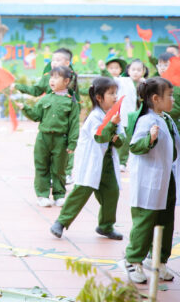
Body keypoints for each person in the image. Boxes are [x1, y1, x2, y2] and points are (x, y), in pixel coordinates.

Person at [50, 77, 124, 240]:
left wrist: (117, 137)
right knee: (81, 192)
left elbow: (121, 140)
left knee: (112, 193)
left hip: (108, 163)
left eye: (116, 93)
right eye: (111, 93)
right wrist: (112, 126)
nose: (115, 97)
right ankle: (61, 222)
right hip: (92, 161)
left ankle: (106, 226)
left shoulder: (115, 115)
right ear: (99, 97)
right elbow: (100, 137)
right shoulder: (95, 117)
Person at [122, 77, 178, 284]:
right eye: (169, 96)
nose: (173, 99)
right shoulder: (146, 120)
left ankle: (158, 259)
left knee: (166, 220)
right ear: (155, 99)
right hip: (149, 180)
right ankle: (133, 259)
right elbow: (135, 146)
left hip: (166, 178)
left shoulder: (166, 118)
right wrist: (150, 139)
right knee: (145, 221)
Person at [18, 66, 80, 207]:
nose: (52, 80)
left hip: (61, 139)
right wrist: (25, 108)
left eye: (56, 77)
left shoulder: (71, 102)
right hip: (43, 138)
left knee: (59, 169)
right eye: (51, 77)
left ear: (66, 81)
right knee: (41, 166)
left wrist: (72, 143)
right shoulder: (45, 99)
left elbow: (74, 124)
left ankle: (59, 195)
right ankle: (42, 195)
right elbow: (36, 116)